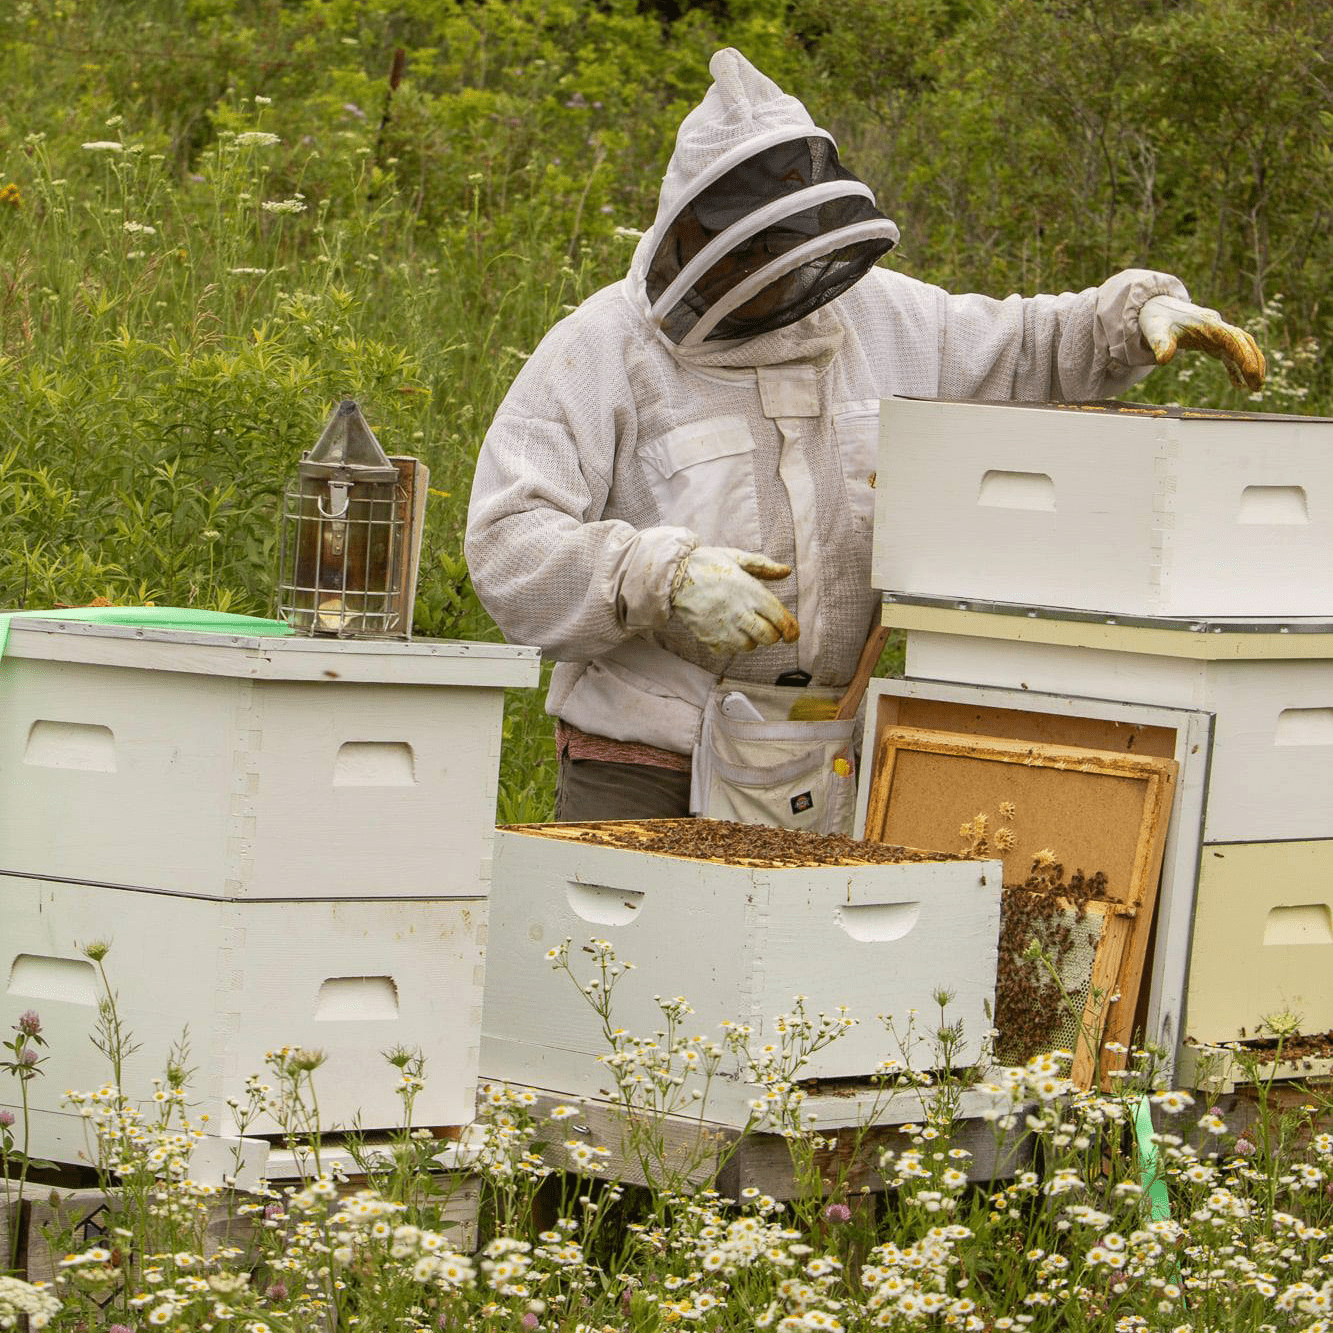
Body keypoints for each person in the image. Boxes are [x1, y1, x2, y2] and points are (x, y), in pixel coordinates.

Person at [465, 48, 1265, 823]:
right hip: (645, 755)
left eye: (783, 249)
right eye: (753, 252)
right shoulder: (600, 348)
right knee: (618, 959)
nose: (774, 272)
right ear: (694, 234)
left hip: (826, 747)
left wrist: (1122, 322)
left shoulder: (882, 320)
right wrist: (656, 576)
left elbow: (1023, 348)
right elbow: (508, 545)